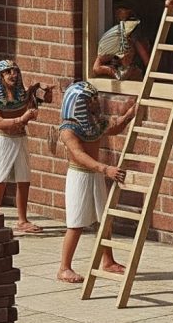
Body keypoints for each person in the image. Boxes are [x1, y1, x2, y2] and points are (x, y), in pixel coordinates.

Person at [55, 81, 135, 284]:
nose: (96, 102)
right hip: (79, 177)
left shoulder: (93, 123)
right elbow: (78, 154)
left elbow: (114, 127)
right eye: (91, 100)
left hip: (95, 176)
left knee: (104, 218)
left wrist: (129, 114)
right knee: (76, 224)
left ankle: (107, 260)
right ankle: (64, 268)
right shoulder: (68, 129)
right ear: (79, 103)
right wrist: (105, 168)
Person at [0, 57, 42, 232]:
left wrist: (39, 93)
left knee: (24, 179)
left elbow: (32, 106)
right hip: (2, 140)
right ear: (0, 76)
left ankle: (22, 220)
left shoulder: (21, 95)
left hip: (20, 138)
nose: (13, 74)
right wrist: (22, 118)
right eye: (8, 72)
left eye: (15, 71)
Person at [91, 0, 151, 81]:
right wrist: (111, 71)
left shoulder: (129, 28)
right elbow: (96, 68)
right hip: (114, 55)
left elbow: (96, 68)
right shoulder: (120, 31)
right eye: (117, 10)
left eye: (121, 10)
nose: (118, 13)